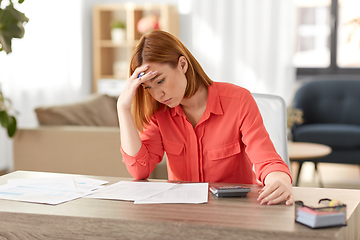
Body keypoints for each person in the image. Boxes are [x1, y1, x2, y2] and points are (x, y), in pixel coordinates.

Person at [117, 30, 293, 206]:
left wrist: (279, 178)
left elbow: (266, 159)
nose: (158, 94)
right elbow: (140, 170)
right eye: (148, 88)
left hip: (235, 212)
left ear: (182, 65)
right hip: (183, 214)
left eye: (160, 81)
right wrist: (123, 109)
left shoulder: (238, 101)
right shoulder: (159, 113)